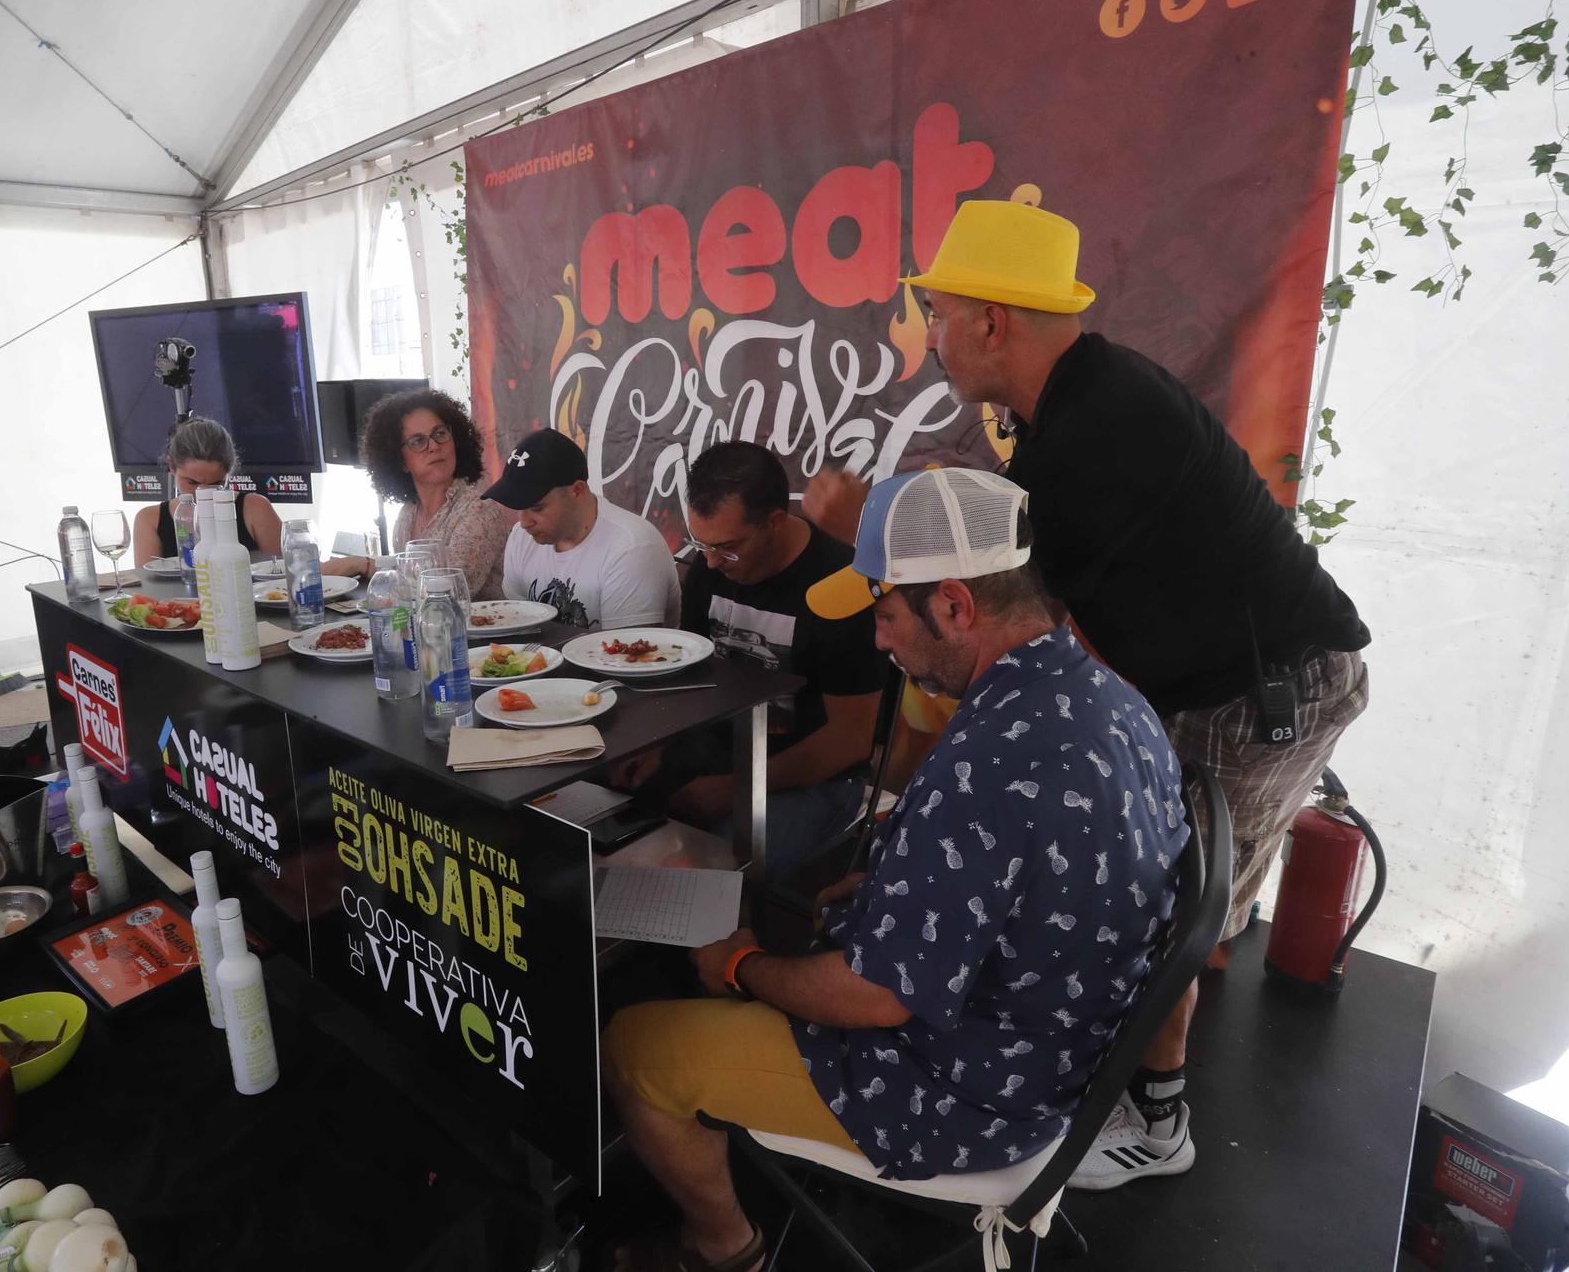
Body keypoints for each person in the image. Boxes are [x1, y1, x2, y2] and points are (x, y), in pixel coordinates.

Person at [808, 200, 1371, 1188]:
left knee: (1175, 913)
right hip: (1195, 676)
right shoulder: (1063, 402)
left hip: (1263, 691)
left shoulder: (1096, 426)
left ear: (991, 322)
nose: (927, 336)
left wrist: (866, 522)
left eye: (937, 313)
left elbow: (999, 582)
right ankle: (1099, 1072)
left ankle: (1152, 1119)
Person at [603, 468, 1188, 1272]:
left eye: (885, 612)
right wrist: (889, 890)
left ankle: (721, 1248)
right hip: (1067, 1052)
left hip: (966, 1093)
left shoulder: (989, 757)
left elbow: (876, 998)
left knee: (636, 1045)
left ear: (954, 604)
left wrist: (743, 963)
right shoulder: (1114, 697)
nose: (879, 640)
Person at [617, 441, 883, 878]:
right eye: (700, 544)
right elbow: (692, 675)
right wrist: (658, 745)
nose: (711, 561)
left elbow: (850, 740)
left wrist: (740, 787)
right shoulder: (709, 564)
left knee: (714, 863)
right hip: (718, 751)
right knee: (610, 809)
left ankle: (735, 944)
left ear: (774, 522)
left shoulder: (840, 583)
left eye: (728, 548)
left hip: (816, 779)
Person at [321, 388, 513, 598]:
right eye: (418, 441)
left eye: (440, 434)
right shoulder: (407, 515)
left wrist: (366, 565)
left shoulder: (479, 510)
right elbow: (407, 581)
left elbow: (446, 592)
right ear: (400, 461)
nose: (433, 446)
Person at [483, 427, 680, 629]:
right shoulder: (521, 536)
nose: (524, 522)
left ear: (577, 491)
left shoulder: (632, 547)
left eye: (536, 508)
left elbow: (630, 654)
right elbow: (516, 629)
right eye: (518, 507)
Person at [132, 416, 282, 566]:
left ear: (228, 472)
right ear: (171, 466)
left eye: (216, 484)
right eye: (192, 482)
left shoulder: (255, 509)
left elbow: (282, 572)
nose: (202, 493)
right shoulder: (150, 519)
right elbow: (148, 585)